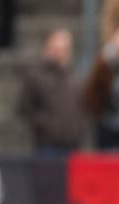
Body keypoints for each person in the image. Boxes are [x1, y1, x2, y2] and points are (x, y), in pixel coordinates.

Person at [17, 29, 85, 157]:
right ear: (48, 49)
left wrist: (77, 131)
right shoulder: (36, 76)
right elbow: (25, 108)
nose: (61, 53)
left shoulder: (74, 78)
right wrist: (44, 126)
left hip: (72, 145)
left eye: (65, 49)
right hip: (47, 146)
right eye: (57, 49)